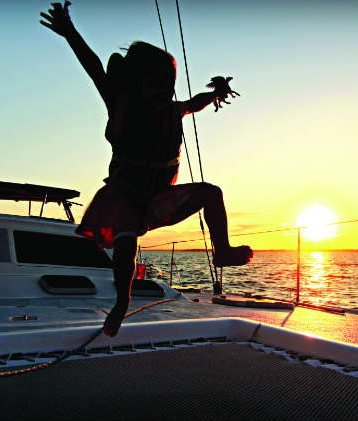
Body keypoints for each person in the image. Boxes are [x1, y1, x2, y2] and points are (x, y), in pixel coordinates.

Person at [40, 2, 253, 337]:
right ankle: (121, 304)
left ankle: (222, 251)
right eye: (153, 84)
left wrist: (215, 94)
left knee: (211, 193)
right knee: (126, 246)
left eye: (165, 85)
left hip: (159, 195)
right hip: (126, 193)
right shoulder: (121, 102)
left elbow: (194, 102)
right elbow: (94, 66)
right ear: (137, 83)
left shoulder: (172, 109)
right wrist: (70, 32)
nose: (161, 92)